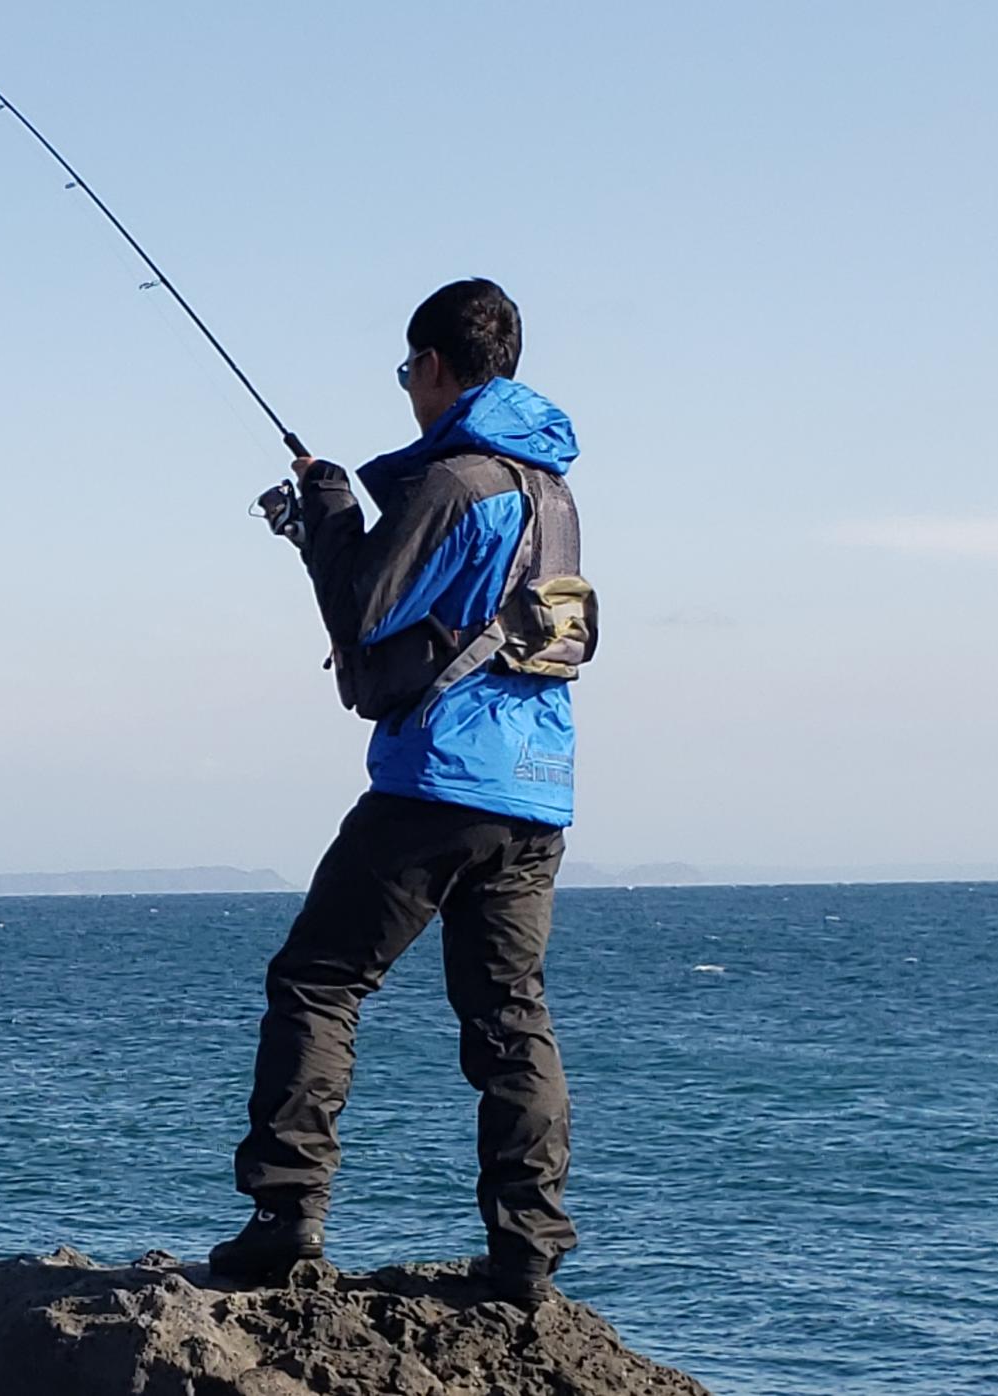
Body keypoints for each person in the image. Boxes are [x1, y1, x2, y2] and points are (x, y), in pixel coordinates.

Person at [210, 278, 597, 1306]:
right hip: (537, 789)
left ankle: (283, 1220)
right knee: (510, 1016)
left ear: (433, 366)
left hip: (438, 779)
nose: (406, 390)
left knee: (317, 981)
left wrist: (326, 512)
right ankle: (527, 1258)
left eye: (405, 371)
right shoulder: (549, 492)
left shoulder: (452, 483)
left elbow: (363, 606)